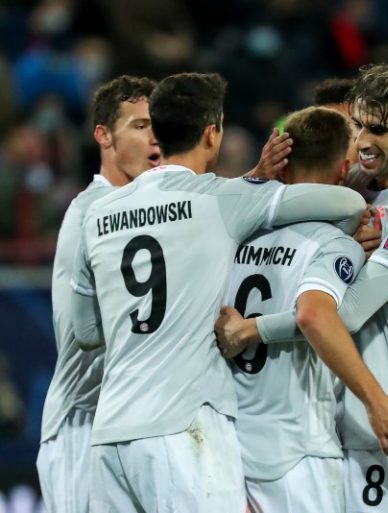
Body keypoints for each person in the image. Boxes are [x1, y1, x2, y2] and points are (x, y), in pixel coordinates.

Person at [69, 72, 368, 512]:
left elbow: (87, 331)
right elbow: (347, 203)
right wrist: (257, 186)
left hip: (110, 433)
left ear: (158, 131)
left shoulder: (96, 214)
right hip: (183, 427)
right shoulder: (221, 200)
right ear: (213, 132)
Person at [217, 64, 388, 512]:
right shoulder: (357, 185)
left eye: (378, 130)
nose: (362, 141)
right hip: (344, 426)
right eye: (358, 126)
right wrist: (258, 175)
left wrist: (253, 330)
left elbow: (348, 313)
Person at [220, 105, 388, 513]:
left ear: (282, 166)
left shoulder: (232, 237)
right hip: (297, 451)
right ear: (344, 169)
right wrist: (375, 400)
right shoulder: (332, 244)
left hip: (230, 448)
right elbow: (314, 315)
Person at [36, 75, 159, 513]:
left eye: (158, 126)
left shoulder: (148, 214)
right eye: (141, 126)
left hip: (130, 422)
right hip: (81, 425)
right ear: (104, 135)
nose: (155, 139)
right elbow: (82, 333)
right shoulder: (89, 212)